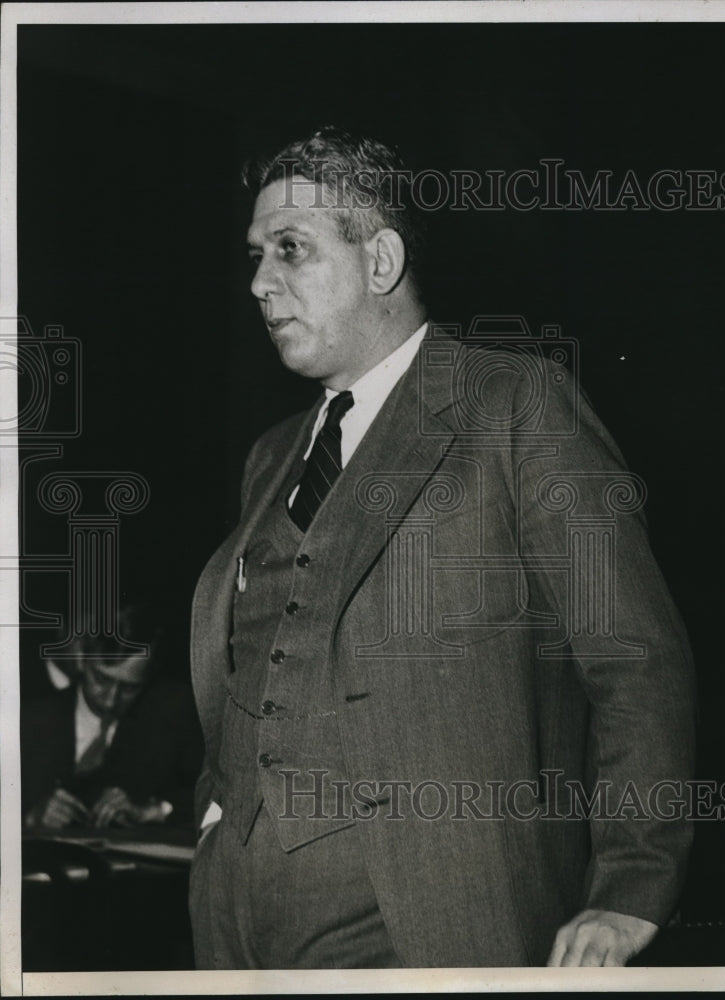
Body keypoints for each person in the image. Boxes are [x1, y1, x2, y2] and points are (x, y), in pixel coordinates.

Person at [189, 126, 695, 969]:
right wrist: (216, 817)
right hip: (230, 921)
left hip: (425, 914)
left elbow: (636, 660)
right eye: (255, 253)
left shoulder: (514, 405)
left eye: (289, 249)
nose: (258, 282)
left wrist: (629, 887)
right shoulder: (272, 453)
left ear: (379, 262)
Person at [22, 603, 203, 828]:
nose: (110, 700)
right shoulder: (27, 721)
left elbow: (220, 798)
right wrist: (30, 818)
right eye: (102, 680)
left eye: (129, 689)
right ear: (81, 658)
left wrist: (156, 810)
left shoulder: (173, 719)